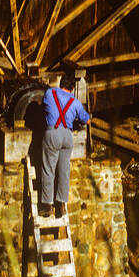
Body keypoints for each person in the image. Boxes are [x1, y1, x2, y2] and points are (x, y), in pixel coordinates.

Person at [39, 72, 90, 218]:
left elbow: (44, 107)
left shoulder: (50, 93)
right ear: (72, 88)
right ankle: (60, 204)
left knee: (49, 169)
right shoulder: (75, 102)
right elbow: (86, 120)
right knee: (64, 170)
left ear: (61, 84)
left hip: (53, 133)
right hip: (68, 136)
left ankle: (47, 205)